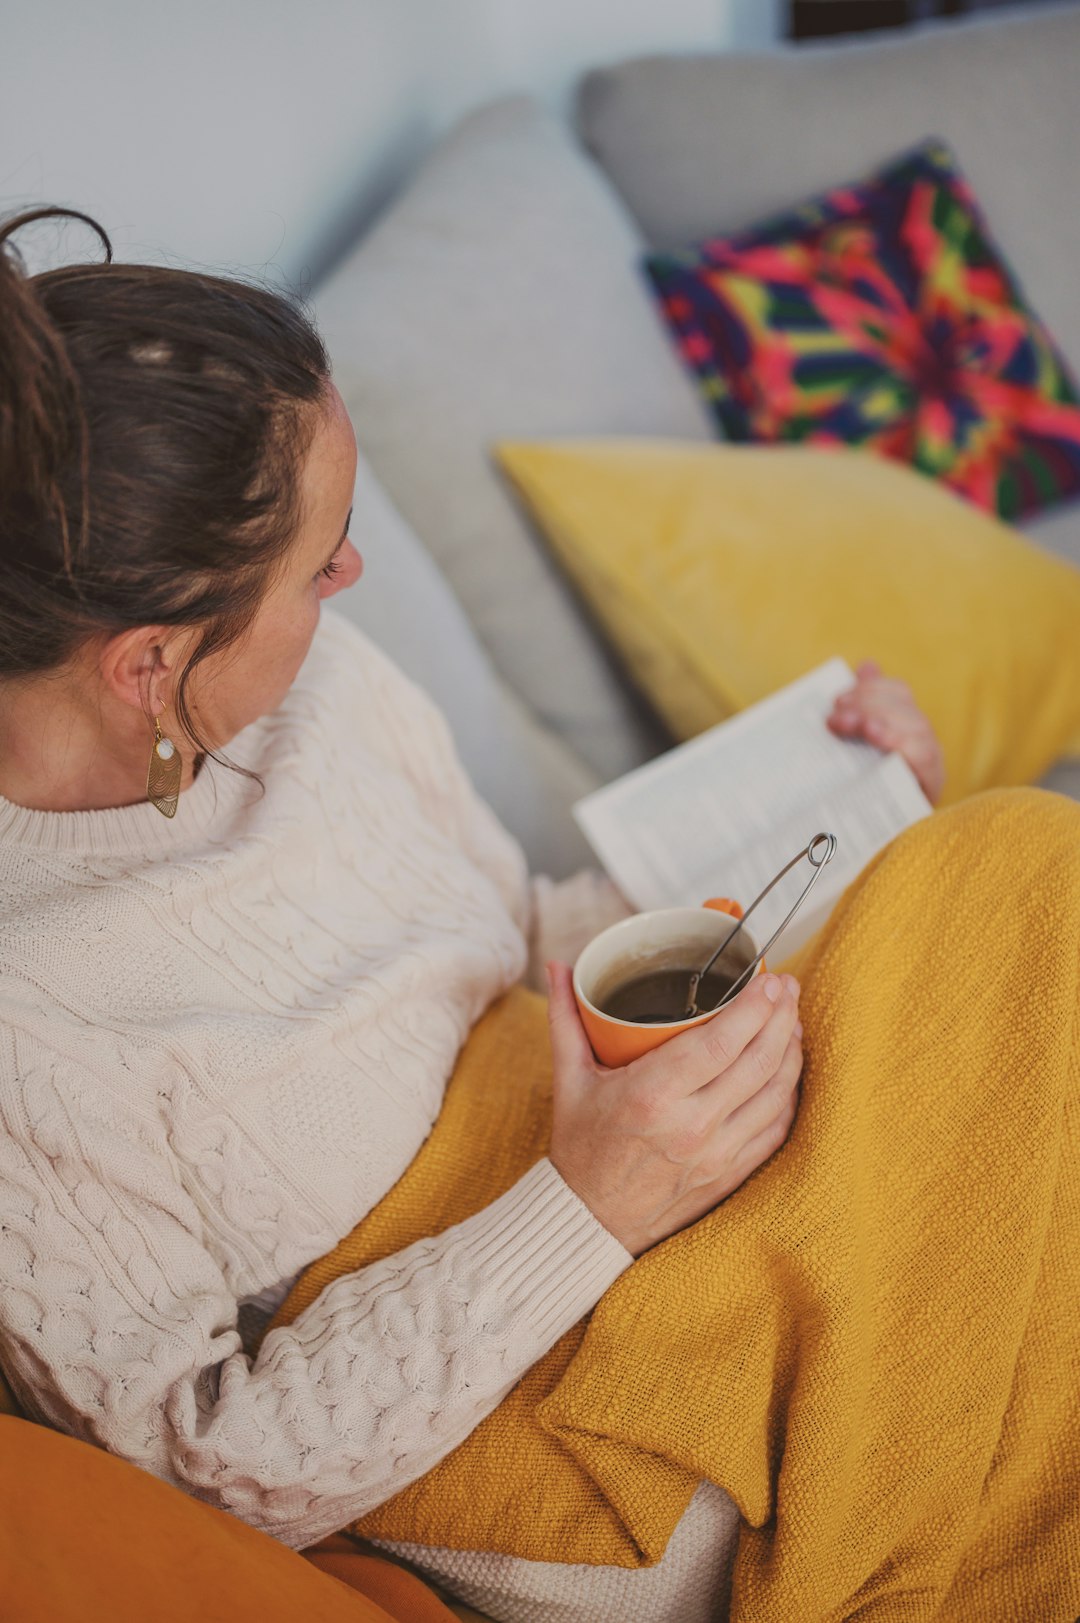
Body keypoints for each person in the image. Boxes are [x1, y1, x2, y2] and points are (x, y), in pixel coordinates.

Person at [0, 206, 946, 1623]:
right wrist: (592, 1205)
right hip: (545, 1385)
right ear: (149, 666)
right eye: (321, 568)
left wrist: (844, 814)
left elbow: (527, 930)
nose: (353, 584)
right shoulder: (28, 1026)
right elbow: (207, 1471)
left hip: (663, 1141)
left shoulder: (316, 690)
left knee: (997, 858)